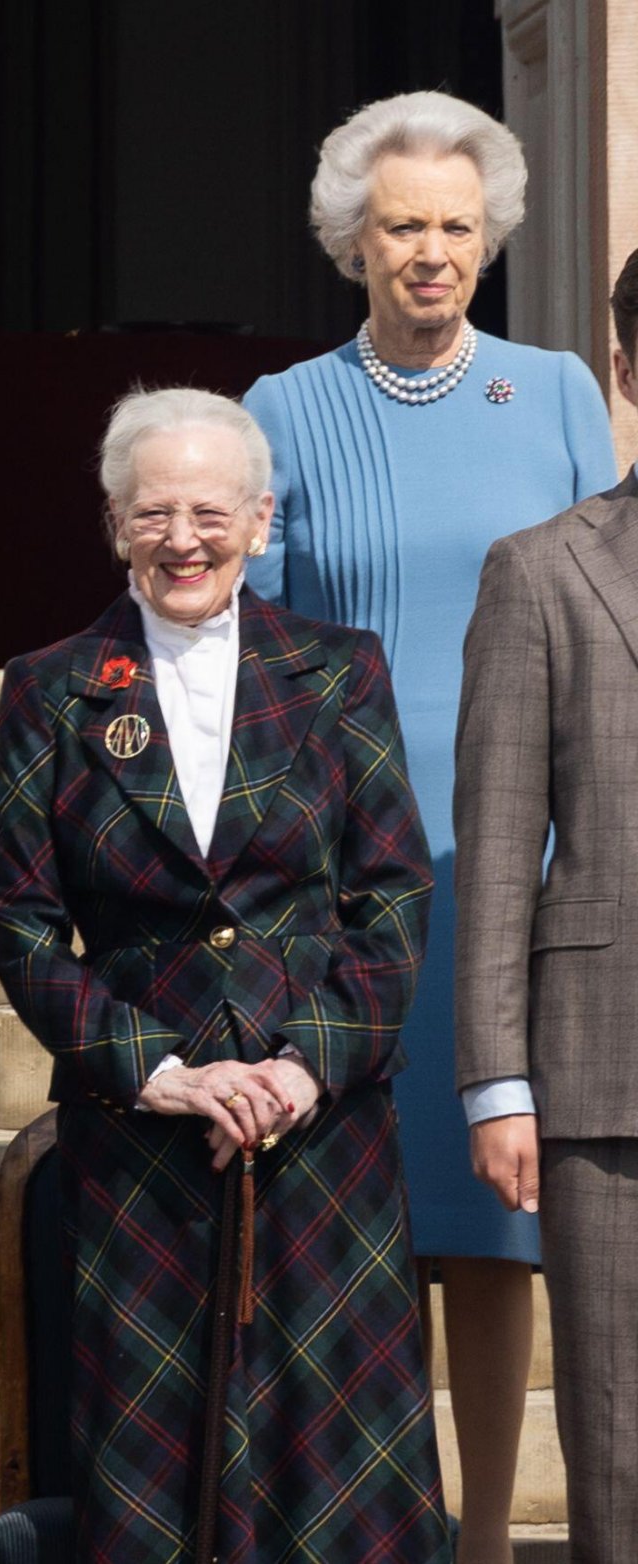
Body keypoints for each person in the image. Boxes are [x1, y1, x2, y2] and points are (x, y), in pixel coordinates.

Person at [241, 90, 618, 1561]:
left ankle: (478, 1535)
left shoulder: (560, 391)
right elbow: (257, 642)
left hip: (519, 857)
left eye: (457, 226)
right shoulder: (282, 408)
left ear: (493, 237)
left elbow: (613, 598)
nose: (431, 251)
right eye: (403, 225)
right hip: (348, 862)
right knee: (367, 1210)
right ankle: (373, 1511)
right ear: (353, 239)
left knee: (502, 1219)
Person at [0, 386, 449, 1561]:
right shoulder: (54, 684)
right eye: (153, 513)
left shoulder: (339, 670)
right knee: (154, 1478)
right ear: (113, 521)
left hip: (321, 1136)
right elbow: (29, 924)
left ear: (259, 518)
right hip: (143, 1142)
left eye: (208, 511)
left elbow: (391, 893)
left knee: (335, 1477)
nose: (181, 538)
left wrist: (308, 1065)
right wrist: (162, 1073)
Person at [454, 249, 638, 1564]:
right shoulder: (539, 572)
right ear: (627, 370)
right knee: (620, 1433)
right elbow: (501, 840)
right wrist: (497, 1081)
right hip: (604, 1077)